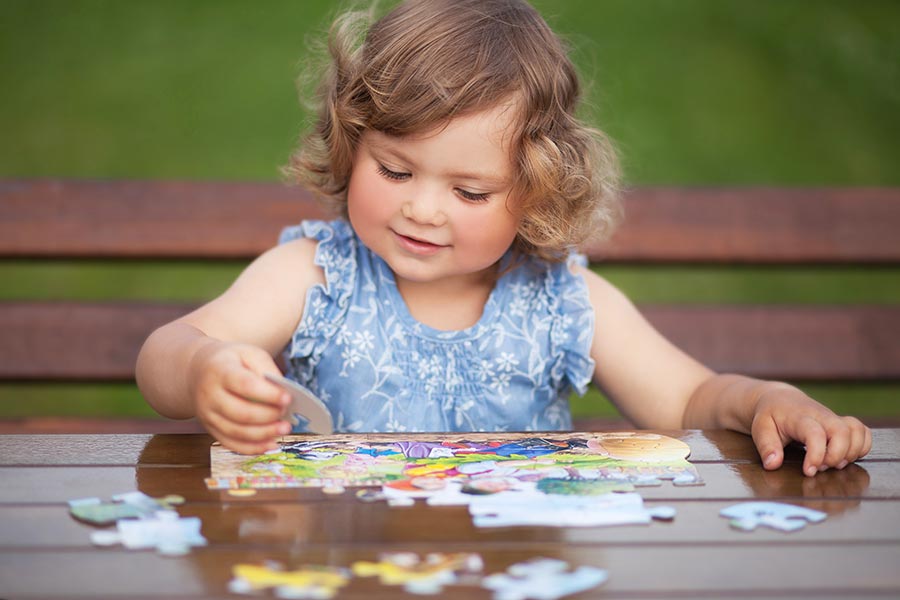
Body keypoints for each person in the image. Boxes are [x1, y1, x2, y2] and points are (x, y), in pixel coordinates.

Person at [136, 0, 871, 475]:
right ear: (352, 144)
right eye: (395, 169)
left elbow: (691, 398)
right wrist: (205, 368)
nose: (423, 209)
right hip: (342, 569)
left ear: (536, 191)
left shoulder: (560, 300)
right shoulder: (313, 274)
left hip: (511, 570)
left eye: (469, 191)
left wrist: (766, 399)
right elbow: (165, 354)